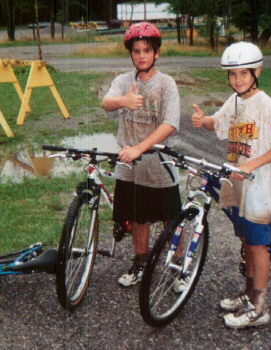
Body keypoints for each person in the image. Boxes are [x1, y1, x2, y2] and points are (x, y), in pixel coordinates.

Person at [191, 41, 271, 328]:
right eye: (233, 74)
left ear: (257, 72)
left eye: (244, 74)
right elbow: (219, 123)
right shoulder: (235, 100)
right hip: (236, 181)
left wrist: (250, 165)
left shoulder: (265, 104)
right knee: (245, 238)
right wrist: (204, 121)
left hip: (257, 183)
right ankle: (249, 294)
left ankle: (259, 306)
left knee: (259, 244)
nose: (238, 80)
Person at [101, 22, 181, 287]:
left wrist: (140, 147)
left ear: (157, 53)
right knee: (137, 218)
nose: (142, 55)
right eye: (136, 51)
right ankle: (140, 262)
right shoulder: (123, 80)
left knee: (170, 218)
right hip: (129, 163)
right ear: (131, 54)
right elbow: (106, 103)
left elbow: (169, 124)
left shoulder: (166, 84)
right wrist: (123, 101)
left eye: (147, 50)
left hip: (158, 162)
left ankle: (177, 267)